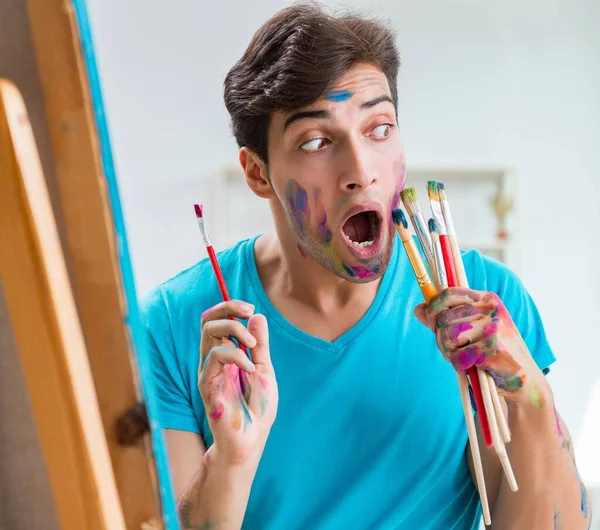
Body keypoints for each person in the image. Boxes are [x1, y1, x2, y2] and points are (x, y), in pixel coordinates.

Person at [140, 3, 590, 529]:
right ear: (257, 172)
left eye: (379, 129)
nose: (360, 171)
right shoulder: (175, 323)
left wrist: (528, 391)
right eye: (316, 141)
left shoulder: (481, 298)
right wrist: (232, 460)